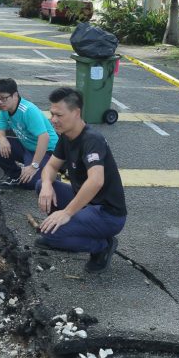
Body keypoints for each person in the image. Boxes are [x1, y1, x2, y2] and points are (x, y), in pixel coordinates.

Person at [36, 87, 127, 272]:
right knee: (41, 184)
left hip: (108, 214)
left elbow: (96, 181)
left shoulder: (92, 140)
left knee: (52, 236)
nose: (53, 120)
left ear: (76, 113)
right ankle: (68, 228)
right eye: (52, 114)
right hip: (86, 204)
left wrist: (67, 213)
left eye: (59, 115)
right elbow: (51, 167)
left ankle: (101, 246)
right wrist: (46, 185)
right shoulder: (66, 136)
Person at [0, 78, 58, 189]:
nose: (0, 102)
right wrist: (2, 139)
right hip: (27, 147)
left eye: (4, 98)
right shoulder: (5, 109)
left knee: (31, 183)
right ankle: (15, 176)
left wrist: (34, 166)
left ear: (15, 95)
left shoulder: (28, 110)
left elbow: (44, 138)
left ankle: (51, 172)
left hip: (47, 150)